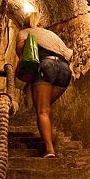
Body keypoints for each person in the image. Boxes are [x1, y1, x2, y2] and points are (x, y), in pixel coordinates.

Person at [16, 11, 73, 158]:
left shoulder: (24, 32)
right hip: (65, 70)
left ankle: (49, 149)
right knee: (46, 107)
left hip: (45, 66)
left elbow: (23, 55)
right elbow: (68, 54)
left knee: (42, 111)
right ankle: (49, 140)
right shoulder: (51, 35)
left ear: (26, 23)